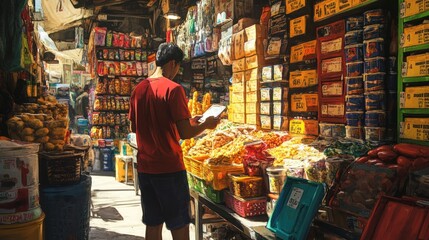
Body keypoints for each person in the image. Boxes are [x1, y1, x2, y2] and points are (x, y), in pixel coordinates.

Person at [128, 43, 219, 240]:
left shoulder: (139, 90)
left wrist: (187, 122)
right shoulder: (174, 89)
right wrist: (207, 124)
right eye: (178, 67)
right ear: (172, 63)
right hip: (169, 168)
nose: (177, 72)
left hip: (146, 169)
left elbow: (135, 129)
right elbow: (185, 133)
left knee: (153, 224)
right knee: (179, 226)